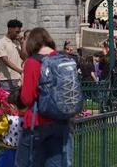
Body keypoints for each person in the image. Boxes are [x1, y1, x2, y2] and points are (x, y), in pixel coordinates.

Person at [15, 27, 71, 166]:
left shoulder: (32, 63)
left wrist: (23, 85)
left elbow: (27, 99)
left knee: (24, 163)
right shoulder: (62, 58)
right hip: (60, 120)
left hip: (37, 121)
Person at [0, 89, 25, 167]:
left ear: (12, 106)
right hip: (22, 150)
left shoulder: (8, 120)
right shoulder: (27, 118)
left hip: (9, 150)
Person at [0, 19, 24, 91]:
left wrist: (22, 43)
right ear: (10, 29)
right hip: (6, 80)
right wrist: (19, 71)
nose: (18, 34)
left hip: (18, 79)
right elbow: (5, 60)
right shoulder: (2, 42)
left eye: (19, 32)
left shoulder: (17, 43)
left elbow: (23, 56)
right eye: (16, 32)